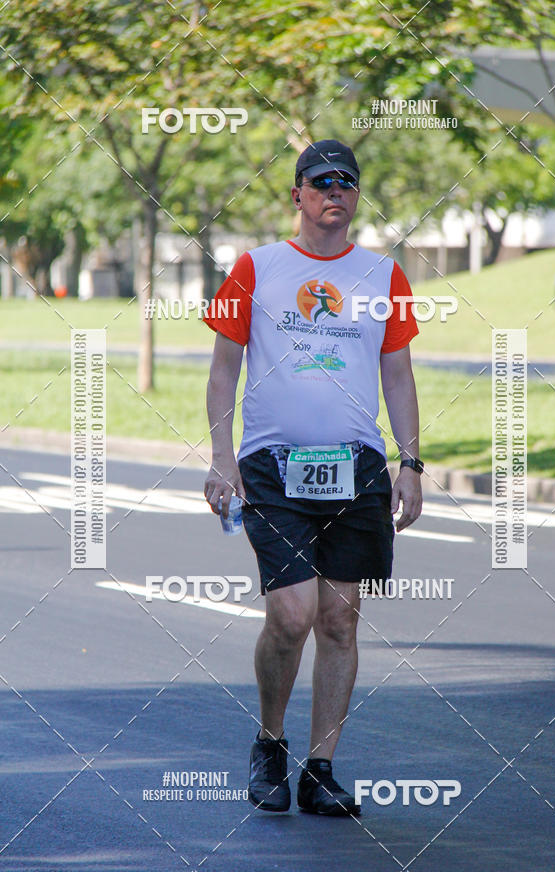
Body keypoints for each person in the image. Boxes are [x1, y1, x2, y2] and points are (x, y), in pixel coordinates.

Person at [203, 139, 422, 817]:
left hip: (355, 465)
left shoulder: (383, 275)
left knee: (340, 619)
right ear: (296, 193)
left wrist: (409, 462)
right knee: (291, 613)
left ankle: (320, 769)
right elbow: (222, 370)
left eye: (347, 182)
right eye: (321, 181)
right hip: (272, 463)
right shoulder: (255, 268)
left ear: (357, 196)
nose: (335, 191)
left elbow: (397, 373)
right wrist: (220, 456)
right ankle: (270, 742)